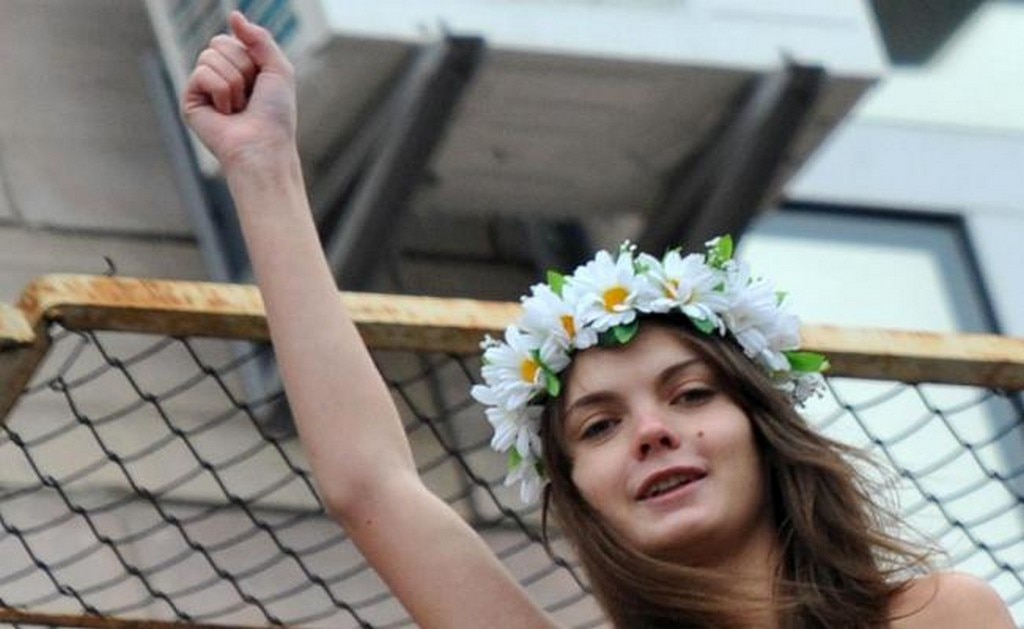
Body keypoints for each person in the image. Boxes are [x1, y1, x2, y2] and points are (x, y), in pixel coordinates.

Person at [183, 12, 1015, 628]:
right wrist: (262, 167)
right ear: (575, 493)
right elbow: (371, 483)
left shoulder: (943, 616)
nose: (651, 432)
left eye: (689, 395)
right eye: (599, 425)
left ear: (764, 425)